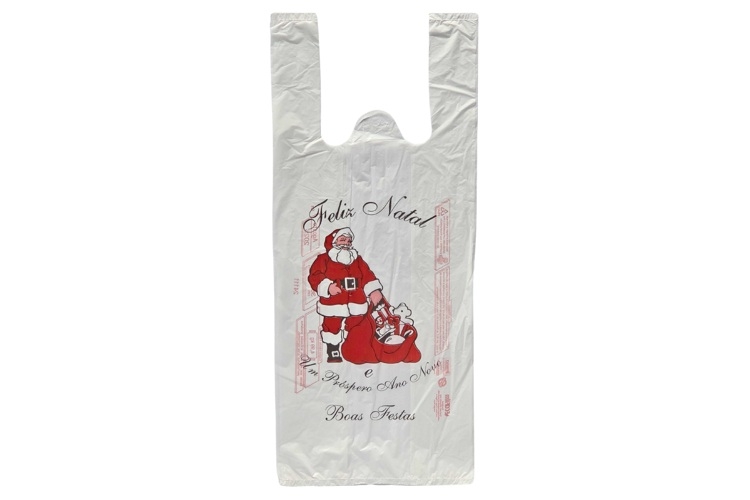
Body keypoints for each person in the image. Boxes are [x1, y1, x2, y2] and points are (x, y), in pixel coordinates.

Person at [307, 227, 383, 362]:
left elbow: (367, 275)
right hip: (334, 302)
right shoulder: (323, 259)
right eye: (342, 240)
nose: (346, 243)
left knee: (357, 325)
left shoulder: (357, 259)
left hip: (357, 301)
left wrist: (373, 290)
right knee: (332, 325)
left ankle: (352, 348)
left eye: (349, 241)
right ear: (334, 242)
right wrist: (328, 287)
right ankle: (333, 349)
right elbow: (315, 276)